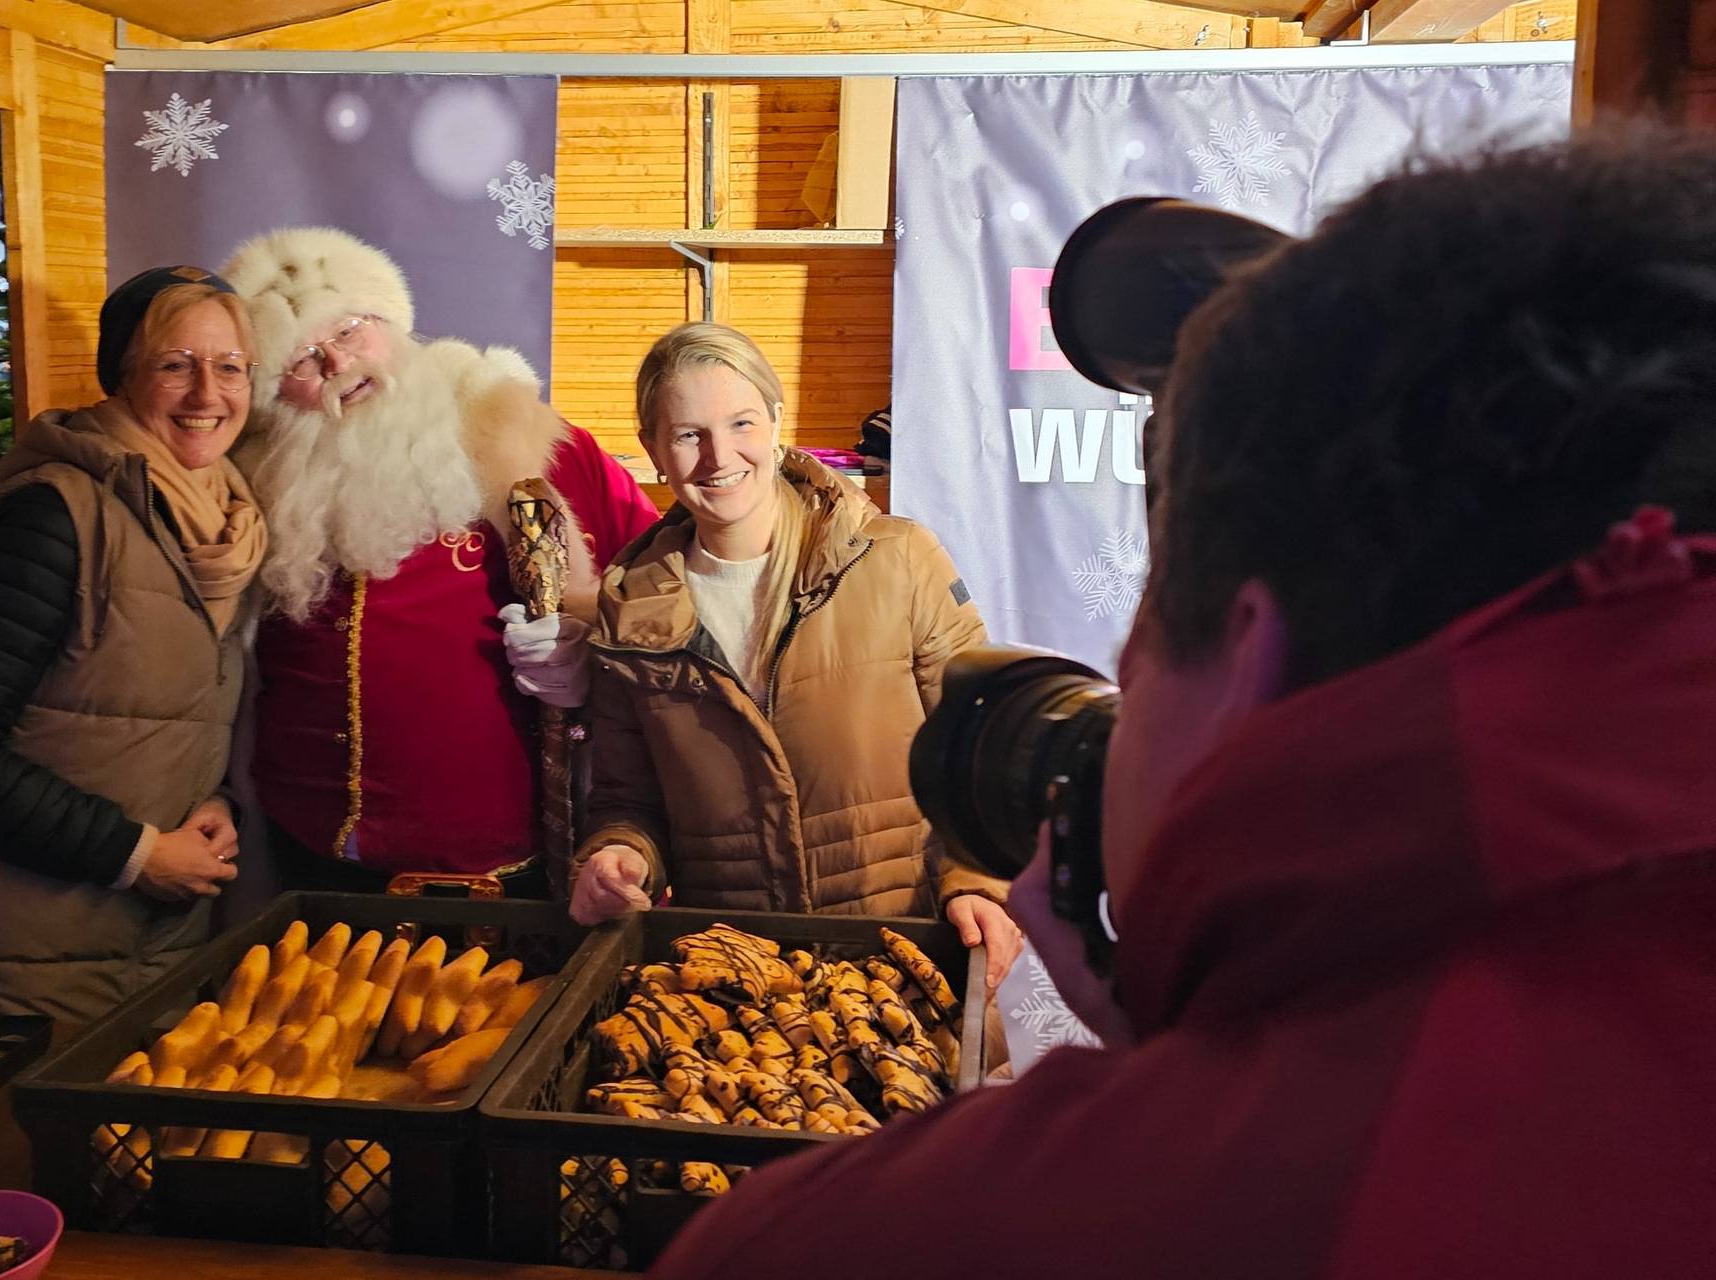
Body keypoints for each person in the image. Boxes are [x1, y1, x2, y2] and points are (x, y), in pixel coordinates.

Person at [649, 132, 1715, 1277]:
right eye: (686, 434)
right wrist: (1213, 1034)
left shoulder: (840, 1242)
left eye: (1150, 614)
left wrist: (1188, 1087)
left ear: (1245, 654)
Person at [0, 266, 267, 1024]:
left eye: (229, 367)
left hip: (135, 959)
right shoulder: (54, 518)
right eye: (174, 365)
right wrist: (134, 853)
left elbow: (152, 720)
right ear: (120, 379)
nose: (207, 394)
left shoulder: (229, 524)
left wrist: (211, 800)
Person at [569, 323, 1018, 985]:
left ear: (777, 420)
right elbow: (627, 800)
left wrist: (976, 882)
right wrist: (618, 856)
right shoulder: (629, 613)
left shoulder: (898, 560)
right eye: (689, 434)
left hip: (910, 960)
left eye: (742, 422)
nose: (720, 455)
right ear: (654, 450)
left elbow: (980, 751)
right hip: (737, 985)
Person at [217, 228, 656, 896]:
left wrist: (594, 650)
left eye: (351, 329)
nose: (337, 362)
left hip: (515, 872)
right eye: (302, 358)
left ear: (392, 321)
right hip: (313, 863)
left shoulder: (527, 442)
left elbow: (664, 597)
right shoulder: (254, 485)